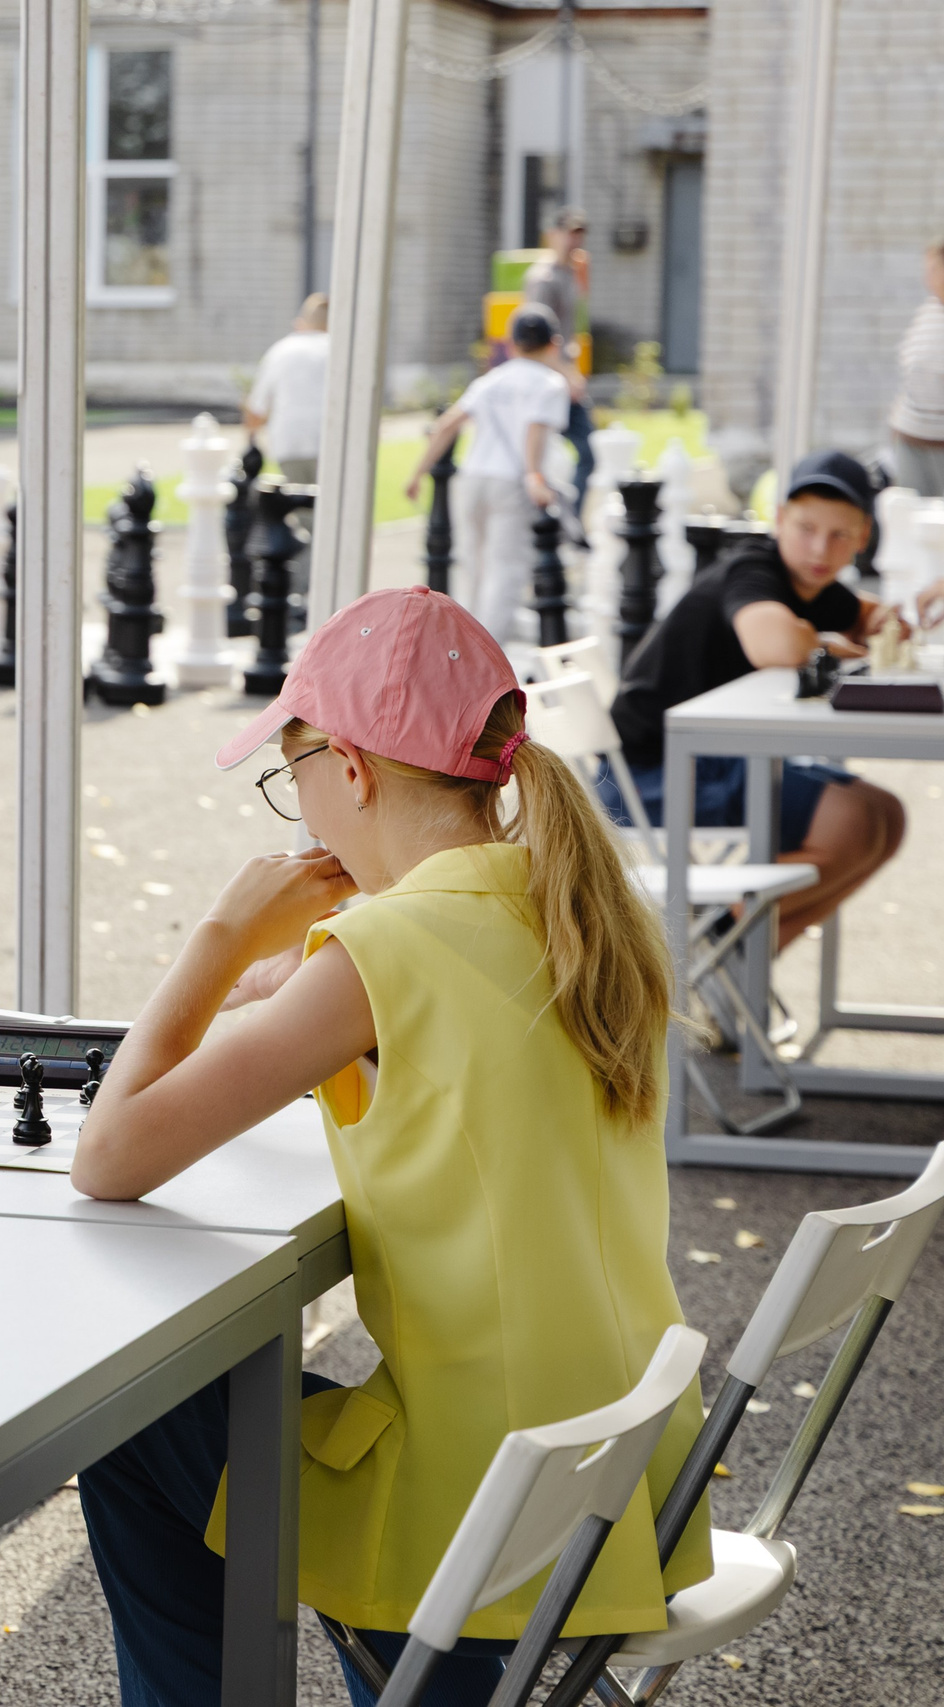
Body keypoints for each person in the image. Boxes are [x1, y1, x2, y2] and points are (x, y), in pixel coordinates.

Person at [71, 585, 713, 1707]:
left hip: (471, 1505)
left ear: (351, 768)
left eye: (292, 772)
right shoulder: (571, 906)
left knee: (129, 1410)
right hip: (615, 1468)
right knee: (241, 1404)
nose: (298, 806)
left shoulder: (388, 950)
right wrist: (304, 978)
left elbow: (109, 1156)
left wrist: (223, 940)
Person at [605, 449, 908, 950]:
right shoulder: (754, 567)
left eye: (839, 536)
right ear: (780, 520)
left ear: (862, 539)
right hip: (648, 778)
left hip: (710, 764)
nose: (820, 548)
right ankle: (712, 936)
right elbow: (774, 645)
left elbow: (871, 615)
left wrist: (883, 625)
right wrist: (825, 643)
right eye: (807, 528)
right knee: (853, 821)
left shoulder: (814, 586)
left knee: (889, 817)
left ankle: (732, 960)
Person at [403, 307, 570, 643]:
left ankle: (460, 644)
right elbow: (534, 431)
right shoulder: (551, 383)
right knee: (505, 569)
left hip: (473, 476)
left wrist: (417, 473)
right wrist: (535, 475)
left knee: (473, 566)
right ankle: (488, 653)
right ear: (553, 343)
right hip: (511, 480)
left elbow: (447, 424)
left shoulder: (491, 379)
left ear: (511, 343)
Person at [522, 206, 596, 510]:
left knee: (583, 453)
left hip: (562, 374)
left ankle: (564, 518)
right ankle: (554, 520)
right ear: (553, 235)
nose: (574, 241)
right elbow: (537, 341)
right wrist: (568, 374)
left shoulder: (570, 273)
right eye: (569, 234)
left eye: (579, 235)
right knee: (542, 455)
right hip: (547, 379)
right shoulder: (544, 279)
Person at [243, 292, 330, 485]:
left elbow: (256, 408)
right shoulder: (337, 349)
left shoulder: (281, 350)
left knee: (300, 504)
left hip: (289, 442)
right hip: (330, 442)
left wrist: (250, 445)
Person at [887, 236, 944, 497]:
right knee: (910, 507)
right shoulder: (928, 312)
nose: (927, 277)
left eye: (933, 269)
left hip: (939, 438)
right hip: (911, 433)